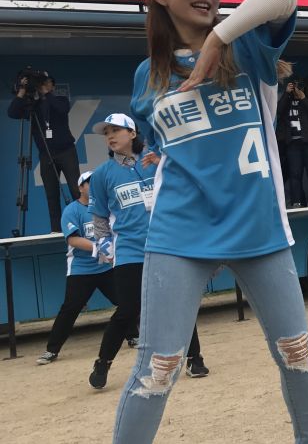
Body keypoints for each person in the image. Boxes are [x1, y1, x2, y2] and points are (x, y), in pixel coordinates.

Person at [114, 0, 308, 441]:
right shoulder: (148, 74)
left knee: (297, 353)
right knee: (158, 369)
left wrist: (218, 40)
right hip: (179, 230)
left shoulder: (247, 45)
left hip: (258, 225)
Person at [87, 113, 208, 389]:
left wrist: (163, 161)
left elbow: (188, 181)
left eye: (116, 130)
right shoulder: (102, 174)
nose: (110, 136)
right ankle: (103, 363)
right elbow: (99, 217)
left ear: (132, 133)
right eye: (107, 133)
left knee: (179, 303)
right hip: (129, 251)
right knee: (128, 310)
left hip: (167, 244)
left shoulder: (155, 160)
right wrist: (104, 246)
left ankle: (194, 358)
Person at [35, 171, 138, 365]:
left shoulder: (105, 207)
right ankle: (51, 350)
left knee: (125, 302)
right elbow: (73, 239)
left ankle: (133, 336)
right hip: (81, 268)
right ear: (80, 187)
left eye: (96, 183)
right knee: (71, 307)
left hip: (106, 267)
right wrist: (99, 248)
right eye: (89, 183)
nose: (93, 186)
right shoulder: (72, 210)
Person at [7, 71, 81, 232]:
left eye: (47, 82)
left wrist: (46, 94)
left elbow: (61, 110)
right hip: (46, 154)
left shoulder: (59, 100)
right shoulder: (33, 106)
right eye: (41, 83)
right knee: (51, 195)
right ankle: (56, 230)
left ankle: (85, 223)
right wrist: (22, 91)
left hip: (66, 151)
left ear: (52, 86)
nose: (43, 85)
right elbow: (12, 113)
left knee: (76, 189)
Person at [278, 78, 308, 207]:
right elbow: (278, 112)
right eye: (295, 86)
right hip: (293, 143)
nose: (297, 89)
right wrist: (286, 94)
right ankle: (296, 201)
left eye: (300, 86)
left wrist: (303, 98)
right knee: (294, 174)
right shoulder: (286, 101)